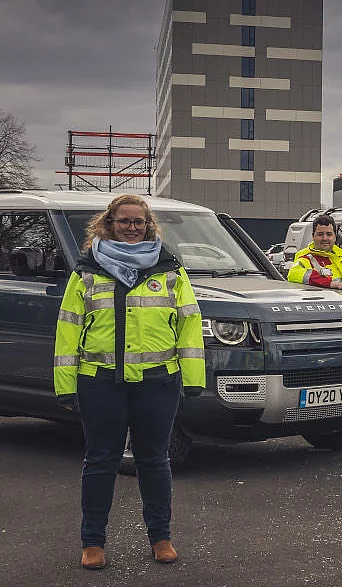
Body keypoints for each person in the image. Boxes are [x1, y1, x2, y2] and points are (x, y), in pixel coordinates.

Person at [53, 194, 206, 570]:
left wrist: (194, 378)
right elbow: (68, 329)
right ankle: (92, 542)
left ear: (148, 225)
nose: (132, 227)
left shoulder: (170, 270)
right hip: (99, 382)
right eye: (124, 221)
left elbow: (188, 324)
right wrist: (65, 384)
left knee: (154, 461)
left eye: (139, 221)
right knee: (100, 460)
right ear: (109, 223)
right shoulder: (86, 271)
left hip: (157, 382)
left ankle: (161, 537)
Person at [287, 214, 342, 297]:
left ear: (335, 236)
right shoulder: (306, 259)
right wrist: (328, 283)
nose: (325, 238)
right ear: (313, 236)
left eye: (329, 234)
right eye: (320, 234)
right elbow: (293, 274)